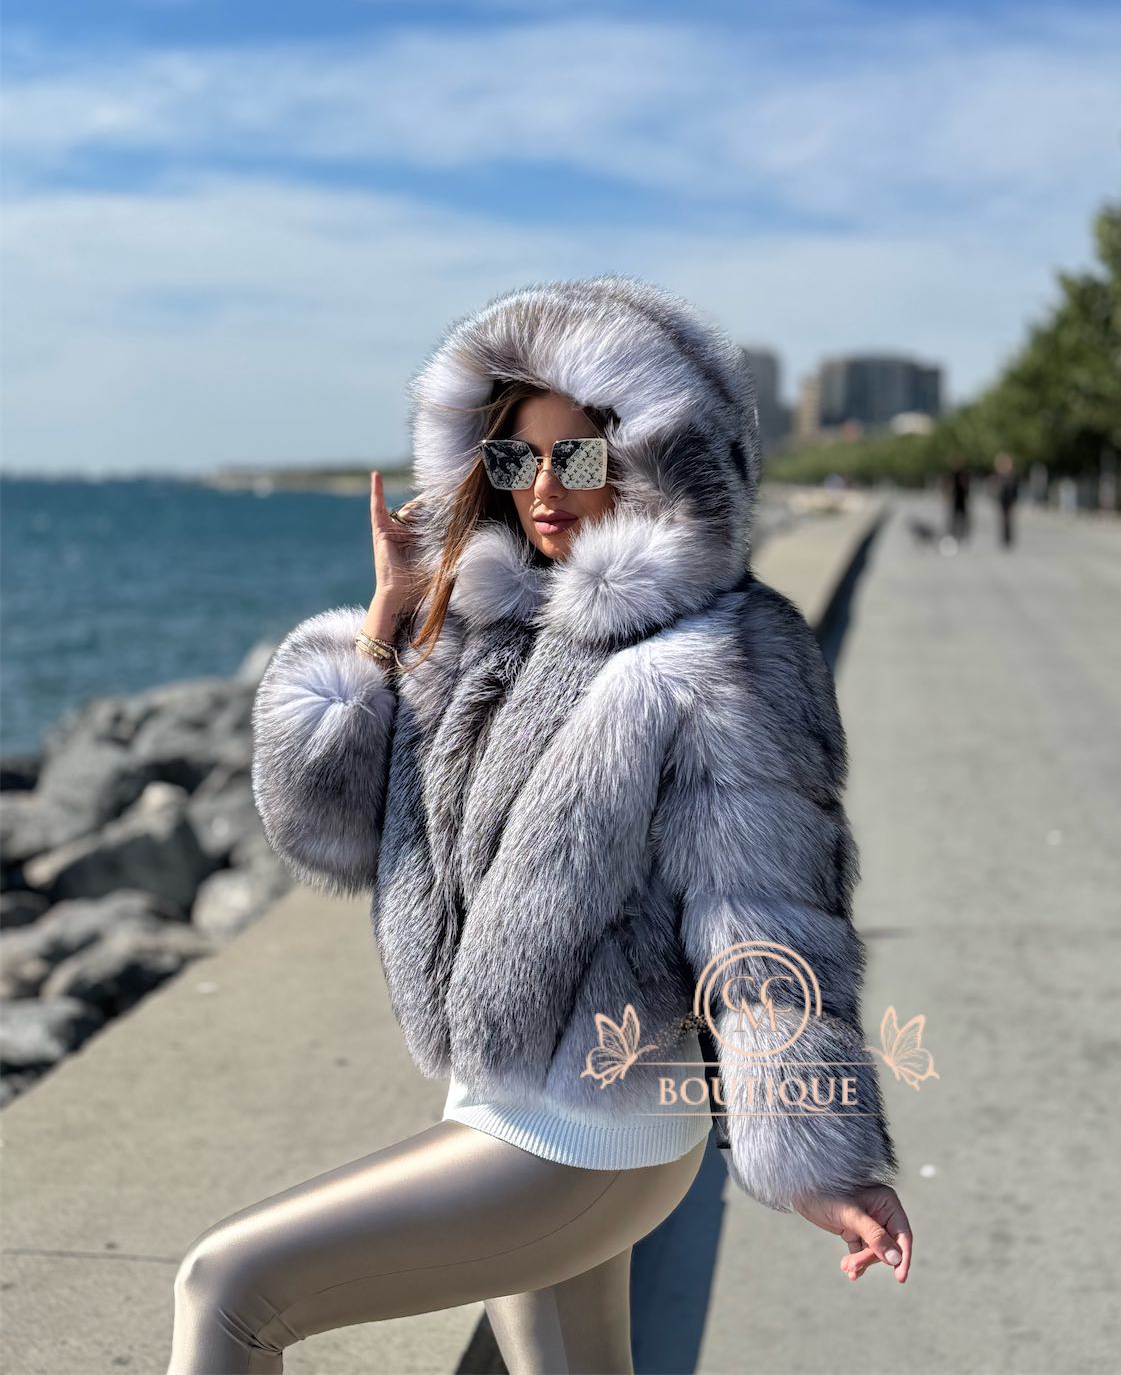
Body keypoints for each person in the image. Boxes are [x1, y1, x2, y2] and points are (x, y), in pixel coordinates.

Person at [167, 275, 913, 1375]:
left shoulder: (717, 657)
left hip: (583, 1136)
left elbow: (764, 919)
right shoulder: (492, 636)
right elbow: (328, 826)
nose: (545, 489)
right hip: (513, 1110)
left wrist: (822, 1158)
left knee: (226, 1287)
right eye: (516, 460)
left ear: (657, 461)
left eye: (580, 455)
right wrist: (388, 623)